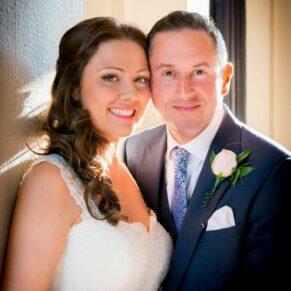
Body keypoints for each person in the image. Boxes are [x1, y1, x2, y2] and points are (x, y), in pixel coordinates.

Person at [120, 10, 291, 290]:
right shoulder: (132, 152)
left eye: (198, 72)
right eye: (168, 73)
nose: (184, 90)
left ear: (224, 79)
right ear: (149, 81)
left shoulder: (274, 169)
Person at [1, 17, 172, 291]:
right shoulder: (51, 180)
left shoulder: (126, 170)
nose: (131, 94)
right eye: (110, 77)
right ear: (76, 88)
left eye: (141, 79)